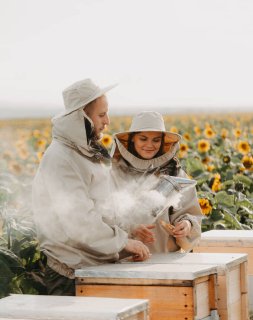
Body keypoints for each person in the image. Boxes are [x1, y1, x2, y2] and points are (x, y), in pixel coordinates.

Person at [32, 78, 150, 296]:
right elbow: (79, 221)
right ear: (81, 117)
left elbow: (100, 204)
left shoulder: (81, 151)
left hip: (91, 267)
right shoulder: (61, 158)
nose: (107, 121)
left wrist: (125, 229)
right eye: (101, 115)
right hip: (70, 275)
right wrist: (123, 241)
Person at [111, 111, 202, 254]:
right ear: (132, 139)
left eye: (156, 140)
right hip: (125, 262)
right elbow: (101, 220)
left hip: (167, 261)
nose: (150, 145)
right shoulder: (114, 173)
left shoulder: (174, 172)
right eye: (143, 139)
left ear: (162, 142)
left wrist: (187, 224)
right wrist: (130, 228)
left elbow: (190, 212)